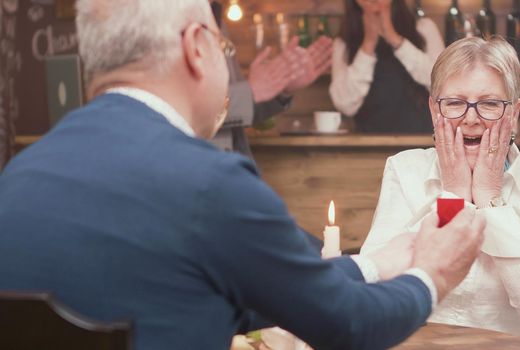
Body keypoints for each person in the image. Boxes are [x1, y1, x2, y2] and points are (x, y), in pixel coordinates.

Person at [0, 1, 486, 350]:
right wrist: (433, 274)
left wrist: (374, 264)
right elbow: (350, 328)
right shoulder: (209, 182)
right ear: (196, 47)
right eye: (221, 43)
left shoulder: (17, 177)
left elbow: (239, 292)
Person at [361, 36, 520, 343]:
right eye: (454, 103)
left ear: (513, 114)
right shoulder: (404, 169)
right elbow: (374, 289)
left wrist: (491, 197)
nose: (471, 118)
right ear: (434, 110)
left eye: (490, 103)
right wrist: (454, 198)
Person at [210, 0, 332, 157]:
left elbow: (238, 111)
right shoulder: (172, 17)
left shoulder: (216, 20)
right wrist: (251, 92)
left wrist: (282, 89)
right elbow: (181, 110)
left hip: (229, 169)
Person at [329, 0, 444, 133]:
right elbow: (345, 104)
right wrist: (368, 44)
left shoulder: (424, 28)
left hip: (421, 143)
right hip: (366, 145)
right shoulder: (344, 42)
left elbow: (441, 85)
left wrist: (394, 39)